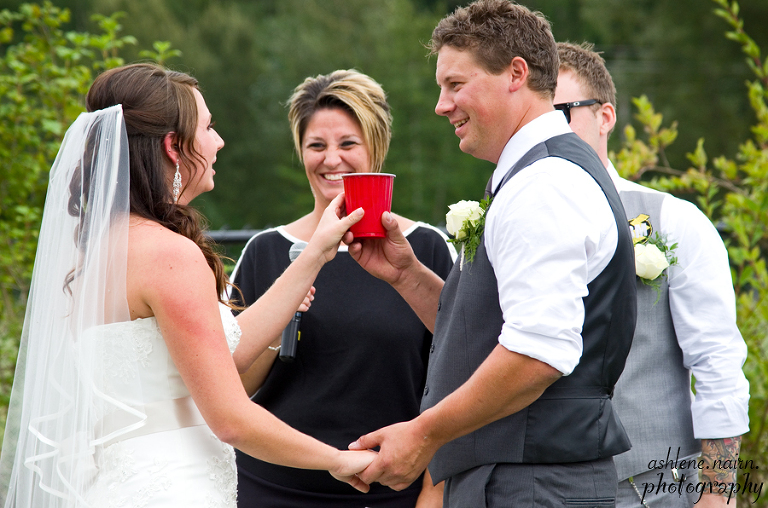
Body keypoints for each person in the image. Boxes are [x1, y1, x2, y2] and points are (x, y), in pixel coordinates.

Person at [0, 63, 377, 507]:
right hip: (174, 488)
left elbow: (221, 355)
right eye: (209, 127)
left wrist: (314, 254)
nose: (218, 142)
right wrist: (337, 460)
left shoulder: (94, 252)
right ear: (174, 146)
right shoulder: (170, 255)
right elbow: (232, 419)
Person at [345, 1, 638, 506]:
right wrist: (408, 276)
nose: (441, 104)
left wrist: (423, 433)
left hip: (531, 484)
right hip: (522, 479)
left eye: (455, 85)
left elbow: (537, 353)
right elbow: (492, 332)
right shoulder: (535, 175)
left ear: (515, 74)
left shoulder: (543, 185)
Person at [229, 69, 455, 508]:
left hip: (391, 495)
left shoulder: (425, 247)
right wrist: (280, 324)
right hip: (272, 491)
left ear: (377, 146)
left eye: (348, 144)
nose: (331, 159)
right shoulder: (265, 252)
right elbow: (233, 388)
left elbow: (454, 383)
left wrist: (434, 491)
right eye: (317, 146)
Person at [555, 41, 750, 508]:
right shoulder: (507, 223)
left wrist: (717, 496)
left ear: (605, 117)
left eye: (562, 111)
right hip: (540, 491)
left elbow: (717, 363)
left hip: (654, 490)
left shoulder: (673, 220)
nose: (548, 132)